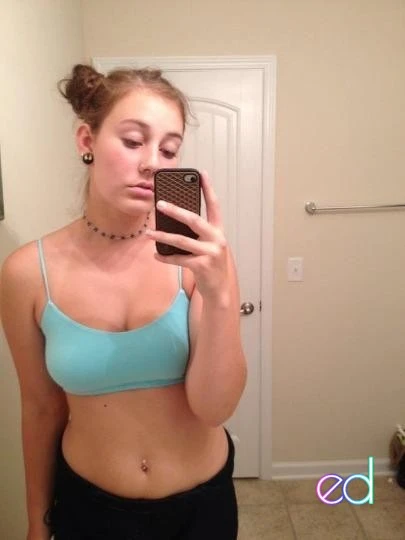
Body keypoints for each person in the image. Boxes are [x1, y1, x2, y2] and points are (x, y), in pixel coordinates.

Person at [0, 64, 247, 540]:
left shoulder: (199, 261)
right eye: (134, 141)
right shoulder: (27, 274)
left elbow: (215, 409)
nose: (153, 162)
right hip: (89, 510)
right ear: (86, 140)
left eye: (169, 149)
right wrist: (36, 522)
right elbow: (41, 409)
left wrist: (219, 295)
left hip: (200, 512)